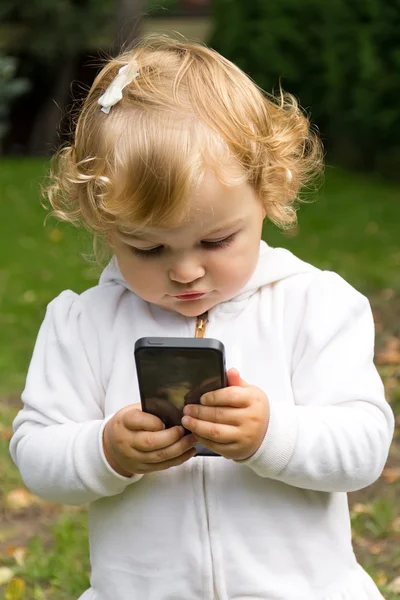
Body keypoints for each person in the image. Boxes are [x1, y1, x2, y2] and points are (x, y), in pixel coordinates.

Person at [10, 35, 394, 600]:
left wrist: (273, 434)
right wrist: (105, 450)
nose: (185, 272)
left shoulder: (314, 306)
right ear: (101, 223)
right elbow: (37, 453)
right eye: (147, 249)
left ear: (269, 190)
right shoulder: (82, 324)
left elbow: (363, 448)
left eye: (215, 239)